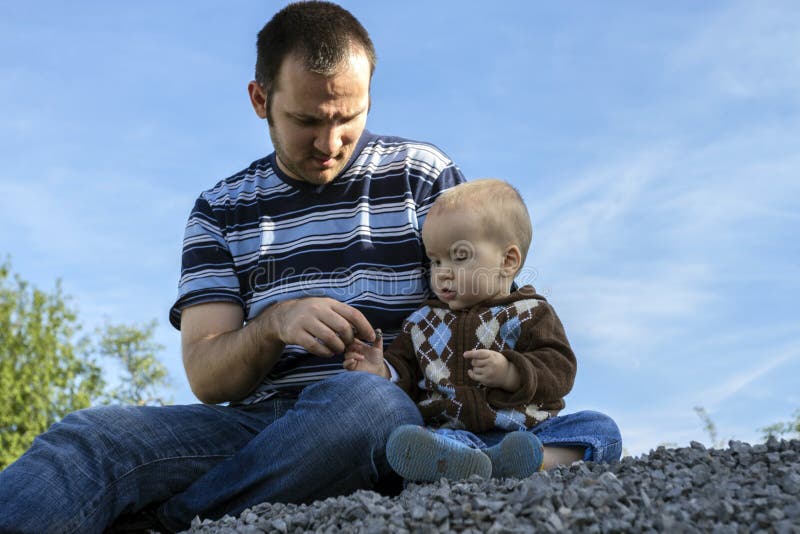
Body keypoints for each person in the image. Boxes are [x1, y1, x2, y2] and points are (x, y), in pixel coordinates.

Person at [0, 2, 468, 532]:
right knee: (87, 438)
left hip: (389, 415)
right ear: (260, 99)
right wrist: (273, 325)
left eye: (348, 117)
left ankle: (174, 520)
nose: (329, 142)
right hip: (257, 427)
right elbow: (206, 376)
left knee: (366, 405)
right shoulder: (220, 209)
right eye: (306, 120)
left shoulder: (423, 177)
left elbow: (482, 310)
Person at [343, 179, 623, 482]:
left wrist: (512, 373)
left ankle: (536, 459)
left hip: (529, 431)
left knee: (600, 428)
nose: (443, 272)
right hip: (454, 433)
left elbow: (560, 368)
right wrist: (382, 371)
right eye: (435, 261)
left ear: (508, 260)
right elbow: (405, 372)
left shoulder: (529, 312)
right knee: (411, 438)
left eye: (459, 256)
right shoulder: (421, 323)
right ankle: (475, 463)